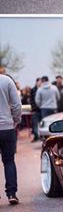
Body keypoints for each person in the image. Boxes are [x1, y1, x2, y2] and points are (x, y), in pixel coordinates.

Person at [0, 72, 22, 205]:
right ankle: (11, 193)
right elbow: (17, 104)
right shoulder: (7, 80)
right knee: (9, 161)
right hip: (7, 127)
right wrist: (16, 120)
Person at [29, 77, 41, 142]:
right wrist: (33, 108)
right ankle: (36, 136)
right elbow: (31, 100)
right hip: (35, 110)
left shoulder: (42, 89)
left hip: (41, 109)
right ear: (36, 82)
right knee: (35, 124)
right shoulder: (33, 90)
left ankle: (41, 136)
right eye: (39, 82)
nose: (40, 83)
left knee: (41, 124)